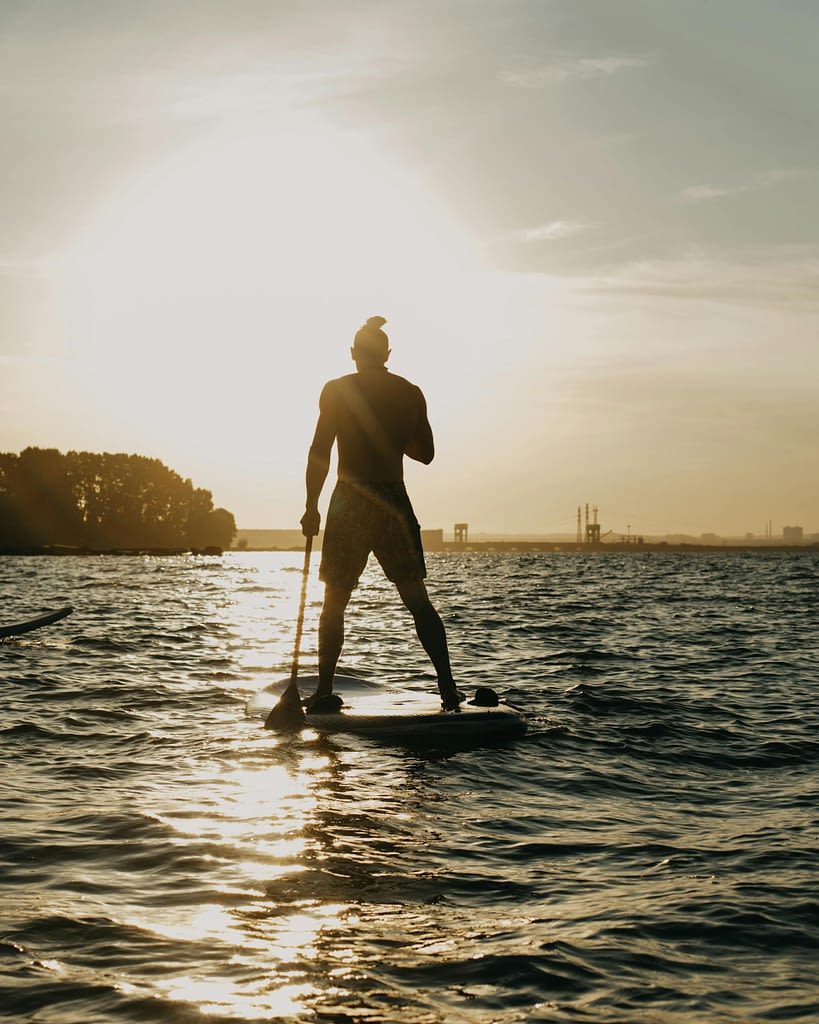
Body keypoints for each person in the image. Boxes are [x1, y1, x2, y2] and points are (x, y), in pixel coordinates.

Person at [299, 315, 464, 713]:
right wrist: (391, 431)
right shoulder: (409, 392)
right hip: (392, 501)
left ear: (354, 354)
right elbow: (425, 454)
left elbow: (319, 450)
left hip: (348, 500)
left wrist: (311, 506)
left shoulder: (336, 390)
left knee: (334, 601)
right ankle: (447, 688)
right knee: (418, 602)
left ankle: (323, 691)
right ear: (387, 355)